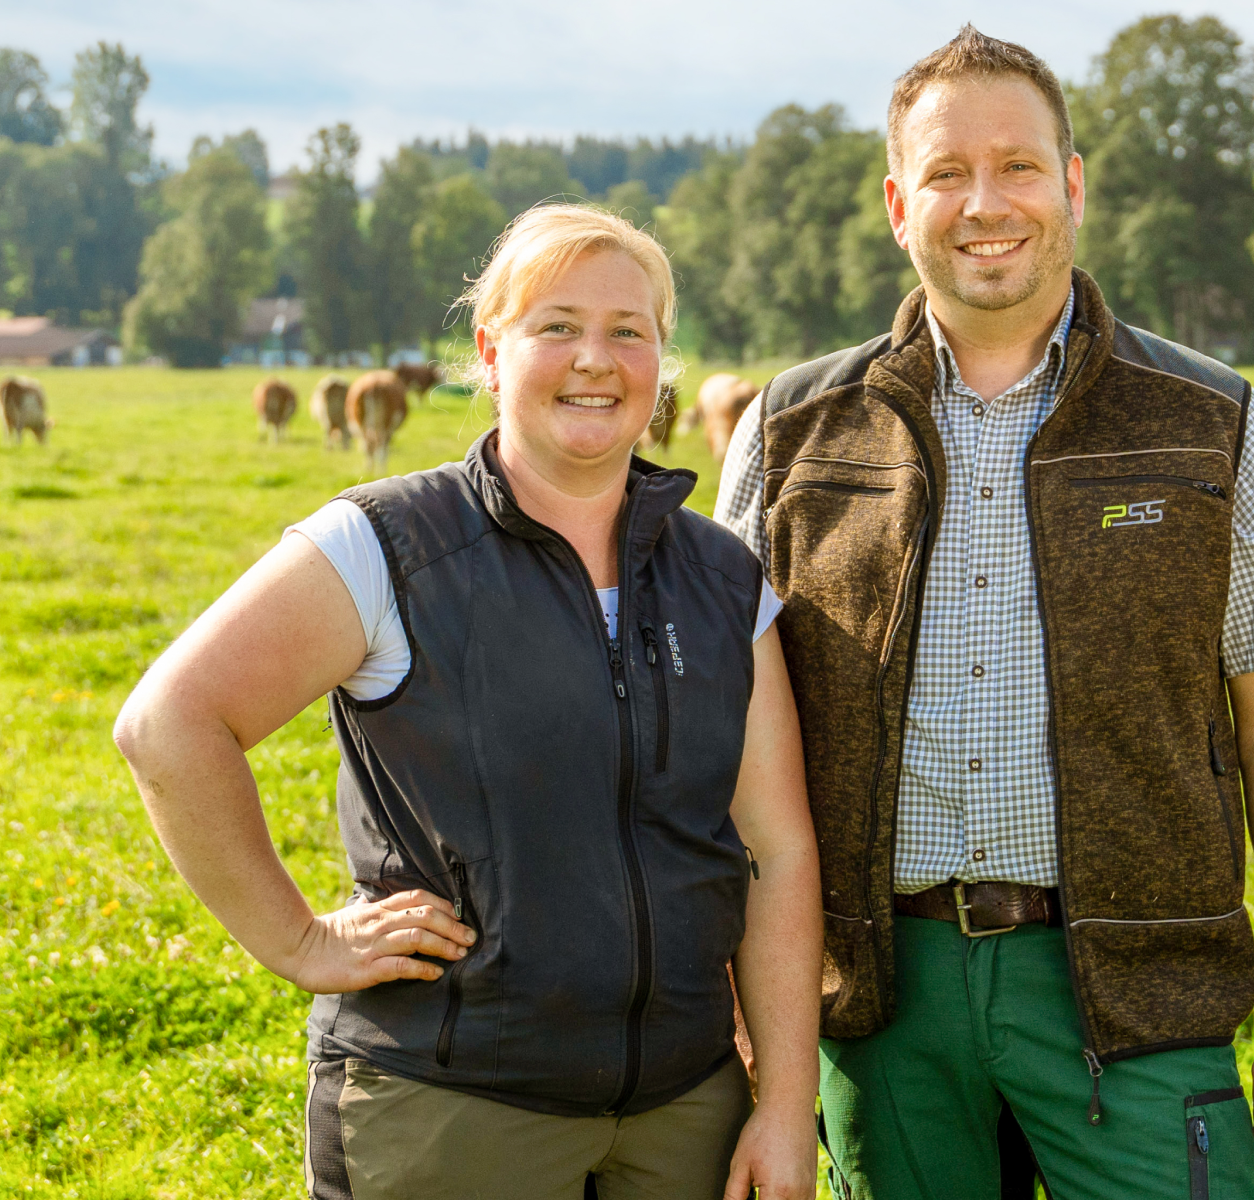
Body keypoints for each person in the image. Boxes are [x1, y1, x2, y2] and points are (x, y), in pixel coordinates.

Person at [711, 26, 1254, 1200]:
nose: (984, 202)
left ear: (1071, 184)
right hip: (879, 1000)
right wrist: (750, 1004)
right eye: (948, 173)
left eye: (1017, 166)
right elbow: (723, 751)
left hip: (1138, 992)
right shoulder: (789, 430)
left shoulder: (1211, 421)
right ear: (899, 202)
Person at [116, 204, 821, 1200]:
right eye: (557, 326)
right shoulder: (385, 545)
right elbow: (168, 724)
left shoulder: (723, 579)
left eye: (629, 331)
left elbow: (777, 848)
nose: (596, 359)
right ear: (492, 351)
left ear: (662, 361)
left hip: (685, 1111)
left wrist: (787, 1104)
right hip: (450, 1112)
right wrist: (296, 941)